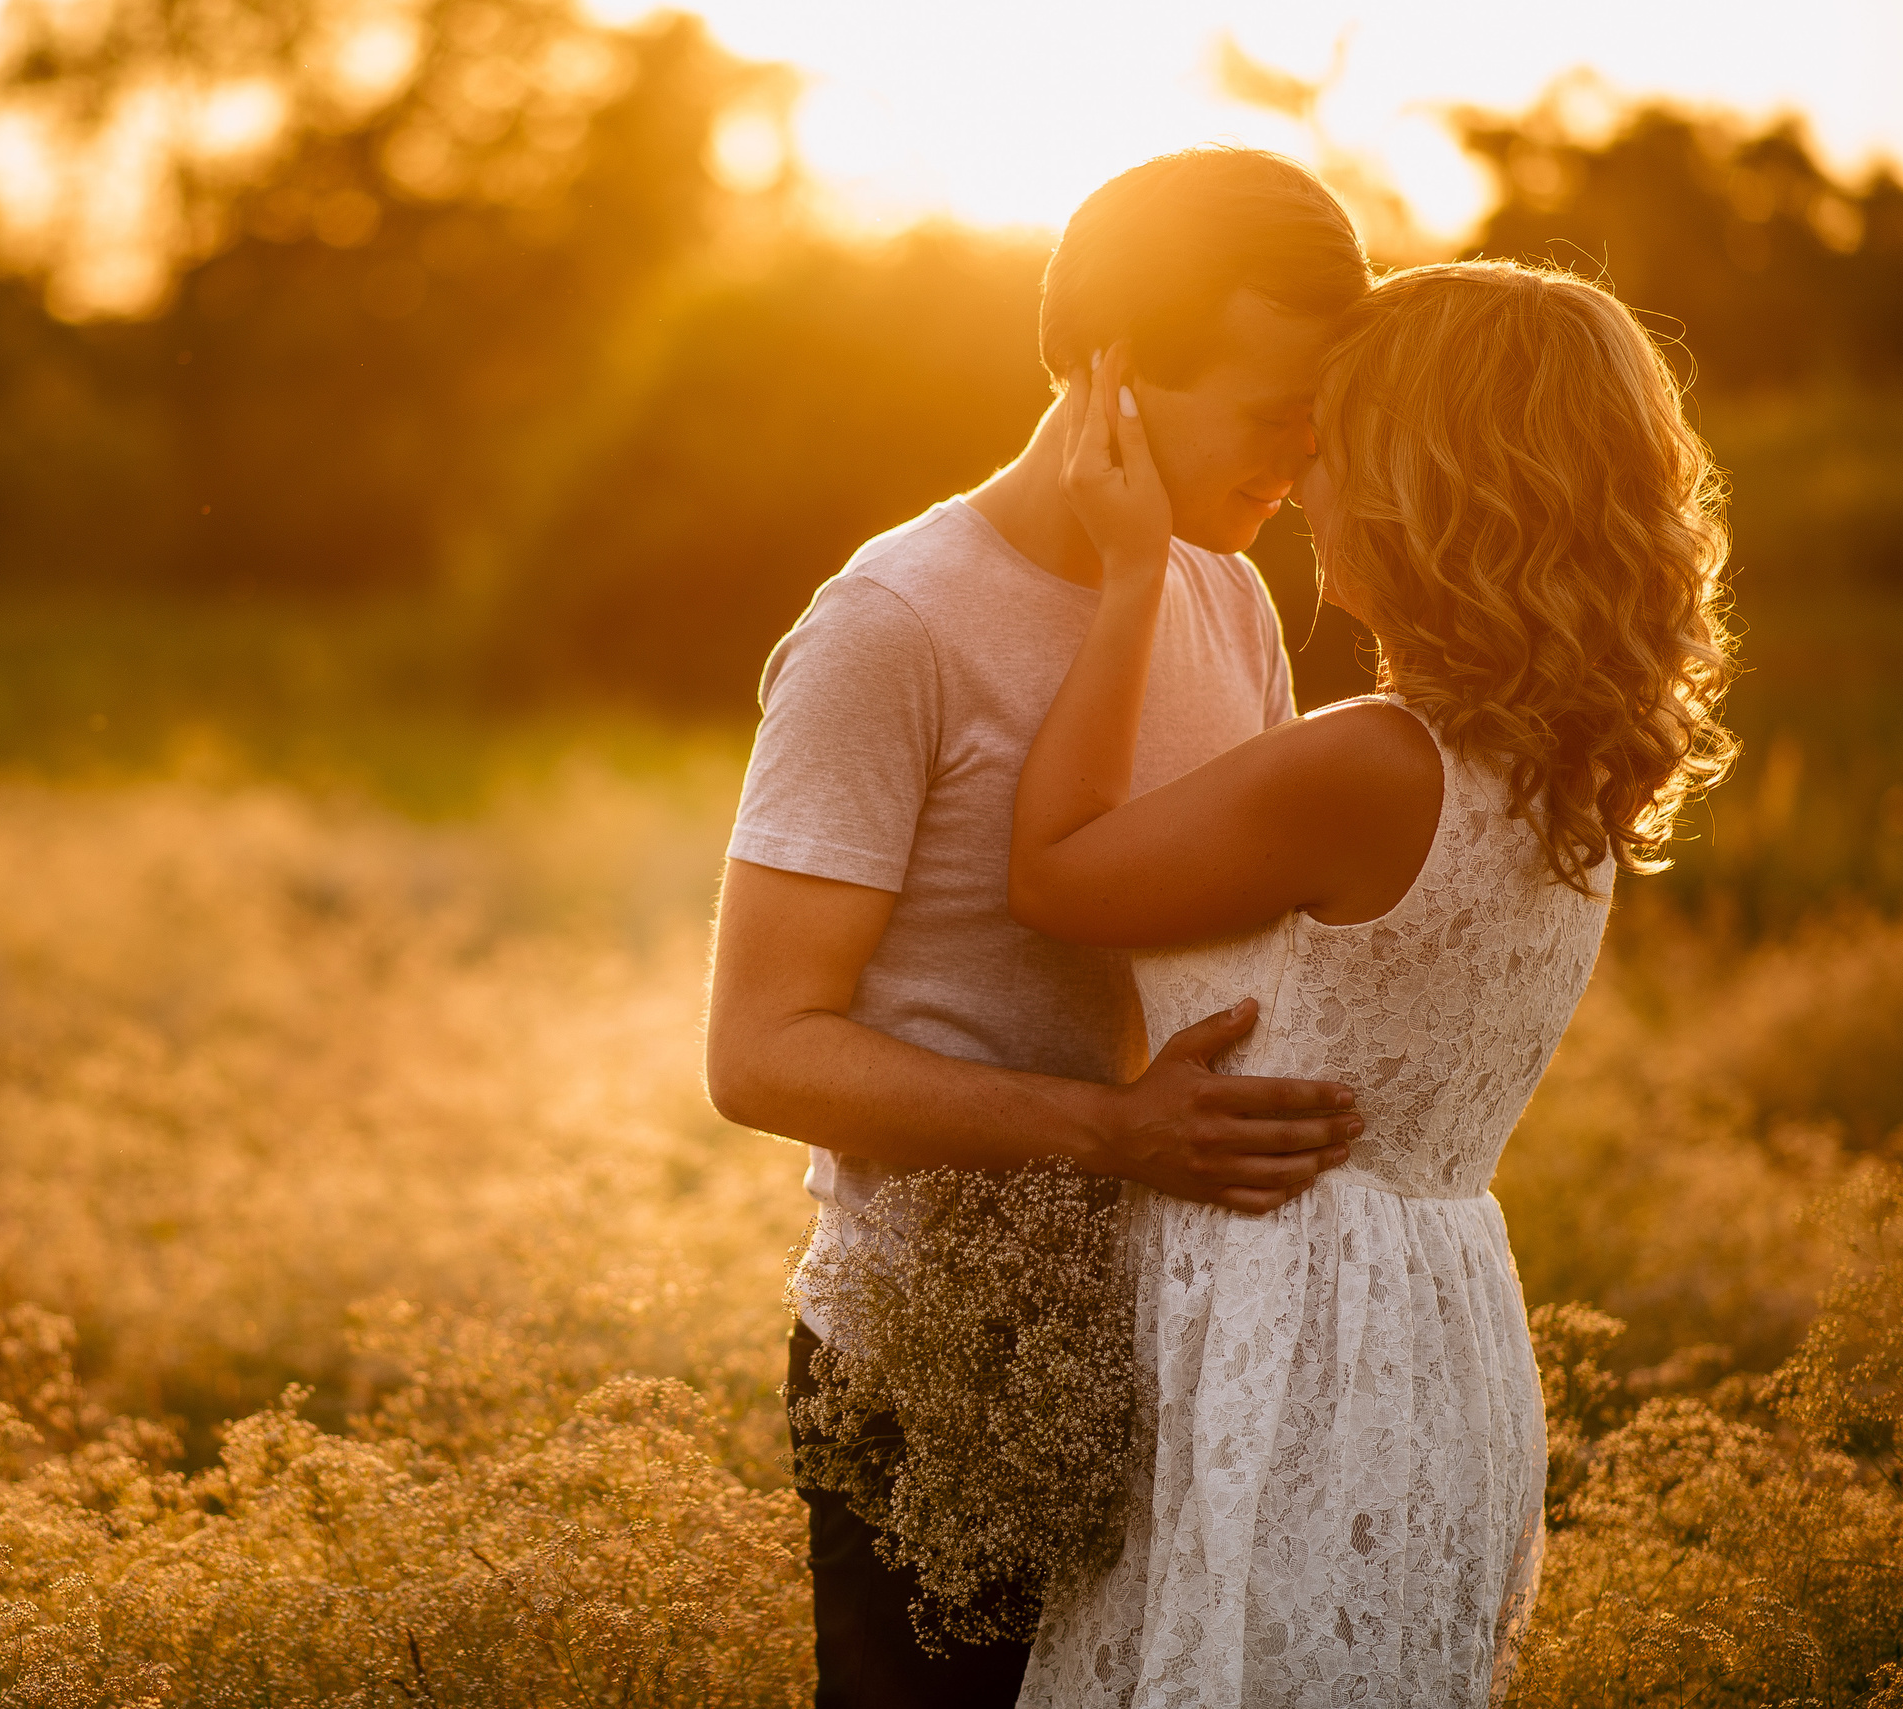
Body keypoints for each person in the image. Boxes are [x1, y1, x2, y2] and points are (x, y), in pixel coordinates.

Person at [1006, 262, 1734, 1707]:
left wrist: (1134, 573)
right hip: (1434, 1322)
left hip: (1288, 1329)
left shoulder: (1368, 763)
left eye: (1331, 440)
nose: (1300, 476)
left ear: (1425, 483)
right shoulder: (1568, 767)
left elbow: (1055, 874)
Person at [704, 148, 1372, 1709]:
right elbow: (759, 1051)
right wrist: (1109, 1131)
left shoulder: (1226, 595)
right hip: (934, 1366)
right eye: (1273, 408)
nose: (1306, 453)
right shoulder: (893, 625)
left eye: (1321, 411)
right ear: (1114, 374)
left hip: (1183, 1344)